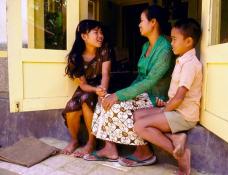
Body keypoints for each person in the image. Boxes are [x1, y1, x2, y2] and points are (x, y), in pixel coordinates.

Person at [83, 5, 173, 162]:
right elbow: (140, 77)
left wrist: (120, 96)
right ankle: (110, 148)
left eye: (141, 21)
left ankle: (144, 152)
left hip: (155, 97)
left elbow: (150, 81)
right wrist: (120, 94)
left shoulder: (164, 49)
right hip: (142, 93)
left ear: (153, 22)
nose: (139, 24)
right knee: (105, 100)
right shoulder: (146, 46)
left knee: (118, 105)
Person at [119, 18, 202, 175]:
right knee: (137, 114)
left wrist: (163, 110)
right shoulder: (182, 60)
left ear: (189, 41)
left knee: (140, 126)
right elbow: (175, 98)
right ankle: (176, 138)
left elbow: (179, 98)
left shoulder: (190, 64)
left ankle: (181, 155)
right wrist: (164, 105)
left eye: (175, 39)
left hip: (184, 115)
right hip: (175, 109)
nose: (171, 43)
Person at [61, 19, 111, 157]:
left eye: (101, 32)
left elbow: (106, 75)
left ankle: (91, 142)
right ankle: (74, 140)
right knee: (71, 106)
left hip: (102, 85)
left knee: (85, 101)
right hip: (87, 87)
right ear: (84, 36)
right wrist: (95, 90)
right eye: (96, 32)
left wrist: (102, 92)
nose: (100, 35)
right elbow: (82, 84)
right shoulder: (75, 57)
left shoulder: (104, 49)